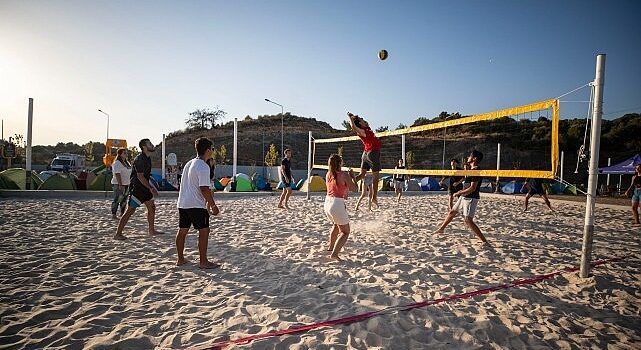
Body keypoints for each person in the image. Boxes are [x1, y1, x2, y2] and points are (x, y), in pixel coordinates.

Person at [175, 137, 220, 269]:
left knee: (182, 231)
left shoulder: (189, 163)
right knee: (204, 231)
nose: (212, 151)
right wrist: (213, 205)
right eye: (212, 149)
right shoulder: (203, 166)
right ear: (207, 150)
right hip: (196, 204)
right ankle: (203, 261)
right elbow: (204, 189)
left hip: (183, 202)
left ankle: (180, 259)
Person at [433, 150, 488, 244]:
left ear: (474, 158)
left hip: (471, 197)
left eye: (470, 156)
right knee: (452, 212)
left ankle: (484, 241)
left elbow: (473, 188)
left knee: (468, 220)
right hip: (464, 196)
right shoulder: (471, 170)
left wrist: (459, 192)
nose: (468, 157)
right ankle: (441, 229)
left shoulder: (476, 170)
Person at [114, 139, 161, 240]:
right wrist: (151, 188)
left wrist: (150, 187)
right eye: (149, 144)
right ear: (144, 147)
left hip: (145, 189)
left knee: (152, 208)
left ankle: (151, 230)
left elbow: (146, 176)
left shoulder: (147, 158)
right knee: (130, 211)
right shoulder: (139, 159)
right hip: (137, 189)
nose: (152, 145)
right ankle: (118, 234)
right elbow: (140, 176)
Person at [324, 154, 359, 261]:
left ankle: (330, 247)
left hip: (327, 202)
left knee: (335, 225)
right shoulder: (344, 175)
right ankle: (334, 254)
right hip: (336, 203)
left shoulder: (328, 174)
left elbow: (337, 188)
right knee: (345, 232)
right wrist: (353, 176)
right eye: (342, 161)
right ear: (339, 163)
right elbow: (355, 189)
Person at [348, 112, 382, 208]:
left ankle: (348, 182)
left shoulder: (367, 129)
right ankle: (374, 197)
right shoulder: (362, 131)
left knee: (362, 175)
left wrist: (354, 117)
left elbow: (357, 124)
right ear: (361, 124)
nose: (363, 119)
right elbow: (354, 127)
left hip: (366, 154)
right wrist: (351, 118)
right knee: (376, 176)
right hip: (372, 153)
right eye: (362, 120)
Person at [110, 148, 132, 219]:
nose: (126, 154)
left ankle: (122, 214)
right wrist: (120, 184)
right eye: (124, 153)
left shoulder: (127, 163)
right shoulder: (117, 163)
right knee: (117, 199)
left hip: (127, 184)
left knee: (124, 200)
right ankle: (114, 214)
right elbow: (117, 174)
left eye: (126, 153)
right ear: (120, 154)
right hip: (118, 184)